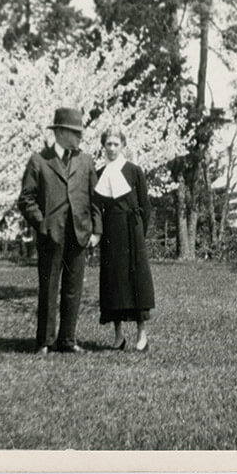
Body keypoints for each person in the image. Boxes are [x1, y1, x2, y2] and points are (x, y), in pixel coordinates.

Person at [17, 107, 102, 355]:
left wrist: (95, 230)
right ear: (61, 133)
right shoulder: (39, 161)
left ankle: (67, 340)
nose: (80, 138)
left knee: (73, 289)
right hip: (50, 236)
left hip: (78, 234)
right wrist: (42, 225)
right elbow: (26, 199)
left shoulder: (85, 161)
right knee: (49, 288)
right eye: (76, 133)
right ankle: (45, 341)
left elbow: (95, 198)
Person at [94, 126, 156, 352]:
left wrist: (140, 231)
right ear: (103, 146)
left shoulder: (134, 171)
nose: (111, 148)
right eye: (108, 144)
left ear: (123, 146)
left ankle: (142, 334)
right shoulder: (99, 174)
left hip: (132, 231)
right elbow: (96, 207)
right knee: (114, 282)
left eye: (115, 144)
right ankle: (118, 335)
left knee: (135, 281)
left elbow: (145, 205)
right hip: (111, 232)